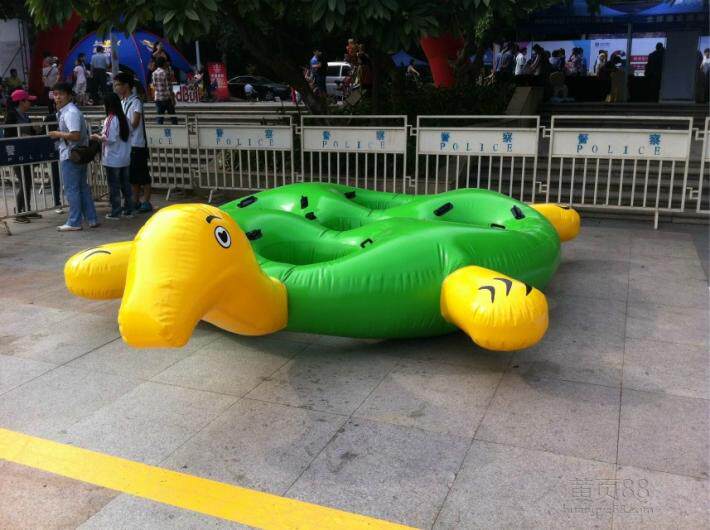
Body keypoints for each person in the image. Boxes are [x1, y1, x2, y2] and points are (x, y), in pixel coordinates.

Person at [47, 82, 98, 231]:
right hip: (76, 154)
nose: (58, 97)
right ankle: (91, 218)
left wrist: (57, 134)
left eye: (61, 94)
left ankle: (74, 221)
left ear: (69, 96)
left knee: (72, 189)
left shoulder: (70, 112)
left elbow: (75, 135)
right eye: (55, 94)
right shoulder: (67, 111)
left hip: (72, 155)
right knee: (82, 187)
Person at [114, 72, 153, 213]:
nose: (116, 87)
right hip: (127, 144)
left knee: (142, 174)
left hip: (137, 143)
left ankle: (146, 201)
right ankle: (135, 200)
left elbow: (135, 123)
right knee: (132, 176)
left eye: (118, 85)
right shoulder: (122, 102)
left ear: (126, 85)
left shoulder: (135, 101)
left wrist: (120, 127)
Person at [92, 92, 132, 220]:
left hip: (113, 158)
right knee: (125, 184)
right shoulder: (125, 118)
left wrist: (96, 137)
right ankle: (128, 209)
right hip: (125, 157)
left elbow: (108, 139)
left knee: (114, 186)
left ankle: (116, 211)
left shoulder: (111, 119)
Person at [4, 89, 40, 223]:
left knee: (28, 181)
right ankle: (19, 212)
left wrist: (36, 131)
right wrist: (21, 135)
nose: (30, 103)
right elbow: (8, 134)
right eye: (28, 101)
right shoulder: (12, 115)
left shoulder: (25, 115)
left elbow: (31, 132)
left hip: (27, 153)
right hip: (17, 154)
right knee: (24, 182)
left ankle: (27, 209)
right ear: (21, 102)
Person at [152, 56, 177, 125]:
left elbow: (154, 85)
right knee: (173, 117)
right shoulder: (165, 73)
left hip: (158, 98)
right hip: (167, 98)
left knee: (160, 118)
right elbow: (169, 87)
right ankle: (176, 130)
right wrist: (173, 99)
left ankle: (159, 130)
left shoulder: (154, 73)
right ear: (163, 63)